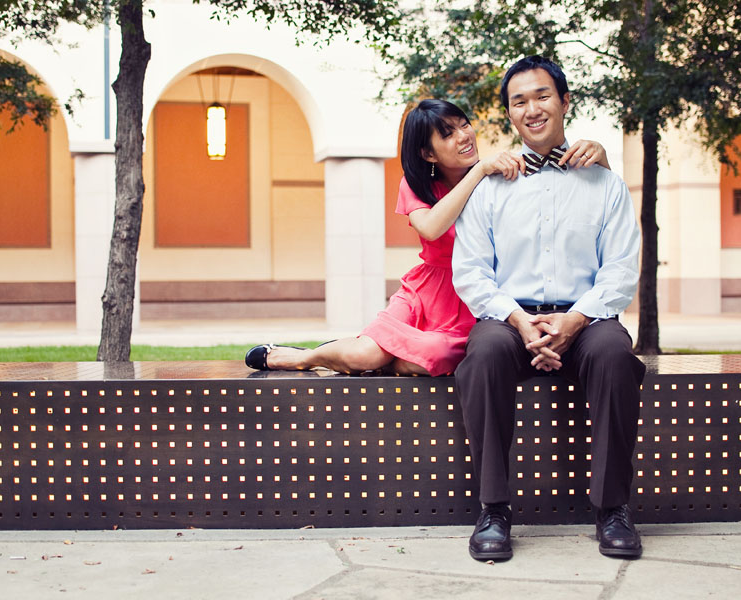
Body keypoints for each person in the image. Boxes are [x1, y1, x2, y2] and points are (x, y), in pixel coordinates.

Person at [245, 99, 609, 376]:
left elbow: (573, 206)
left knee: (434, 355)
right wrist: (480, 170)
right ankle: (305, 356)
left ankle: (385, 355)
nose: (464, 136)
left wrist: (602, 160)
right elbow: (432, 226)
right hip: (426, 291)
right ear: (427, 152)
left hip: (478, 294)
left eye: (463, 125)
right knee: (364, 356)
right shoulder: (419, 184)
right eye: (448, 134)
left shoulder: (502, 179)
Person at [451, 56, 645, 562]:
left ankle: (612, 509)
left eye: (542, 96)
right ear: (510, 114)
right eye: (519, 101)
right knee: (485, 353)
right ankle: (493, 509)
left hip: (587, 318)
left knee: (614, 356)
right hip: (510, 319)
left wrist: (574, 320)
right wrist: (519, 319)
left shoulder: (605, 184)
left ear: (564, 102)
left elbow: (621, 269)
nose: (532, 109)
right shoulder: (489, 187)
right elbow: (471, 272)